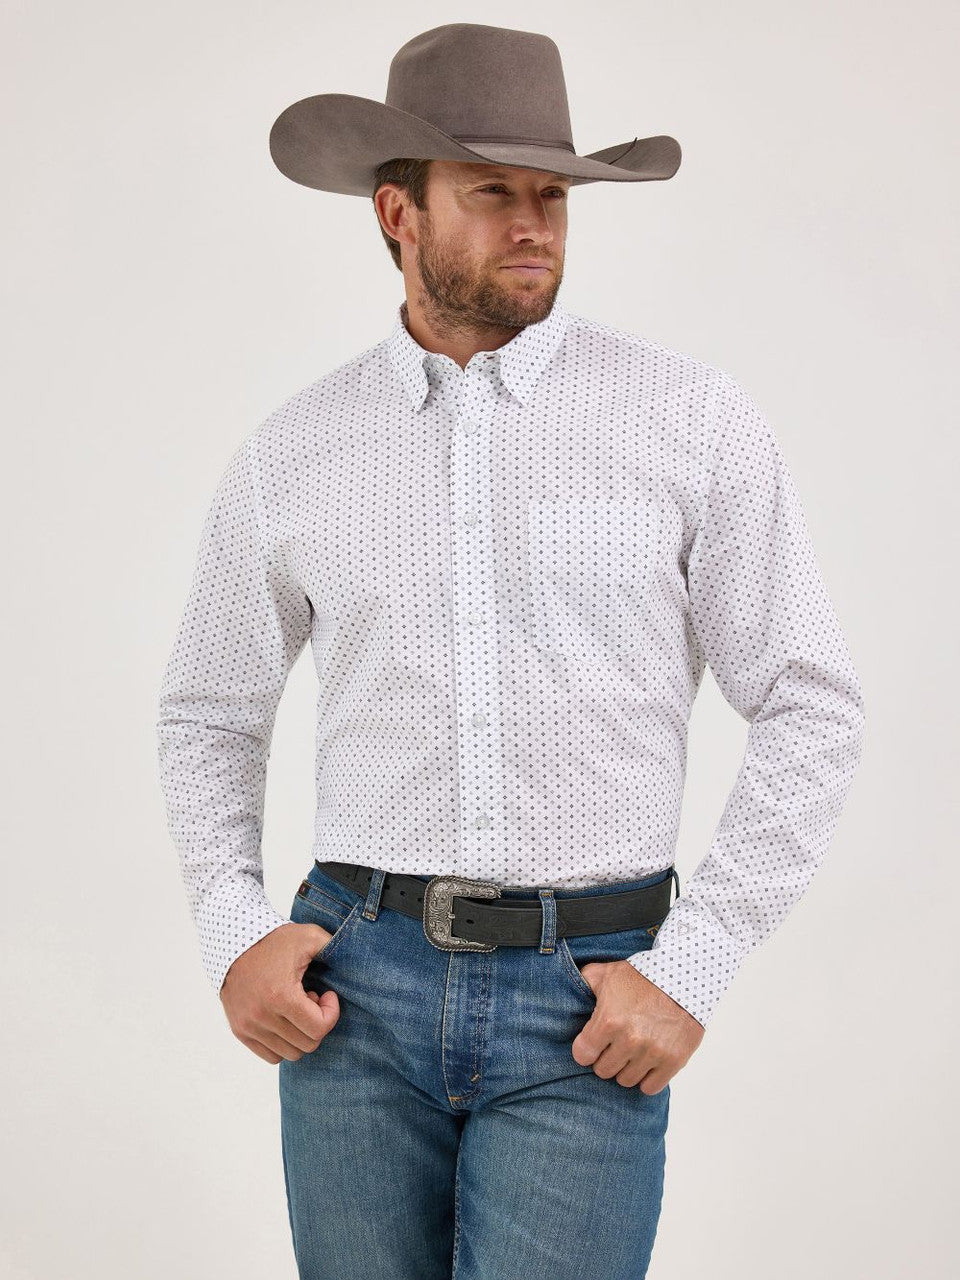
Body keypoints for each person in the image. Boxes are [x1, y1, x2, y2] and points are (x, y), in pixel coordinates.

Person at [155, 23, 866, 1280]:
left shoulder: (685, 420)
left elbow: (811, 702)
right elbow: (211, 711)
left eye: (552, 195)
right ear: (398, 211)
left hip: (588, 1000)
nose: (535, 222)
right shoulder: (295, 451)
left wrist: (692, 966)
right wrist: (232, 926)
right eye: (492, 193)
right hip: (351, 995)